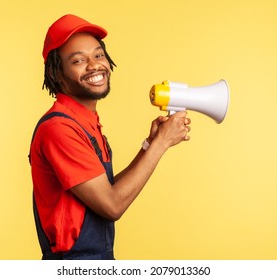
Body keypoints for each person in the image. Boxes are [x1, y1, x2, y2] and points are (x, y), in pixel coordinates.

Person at [29, 14, 191, 260]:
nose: (94, 65)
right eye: (78, 60)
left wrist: (149, 145)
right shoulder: (59, 129)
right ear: (57, 74)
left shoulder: (84, 122)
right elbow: (112, 205)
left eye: (98, 55)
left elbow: (107, 189)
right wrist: (163, 142)